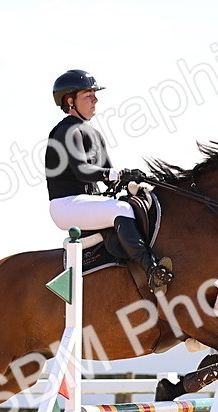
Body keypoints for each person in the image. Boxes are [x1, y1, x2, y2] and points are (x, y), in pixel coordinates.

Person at [44, 69, 172, 291]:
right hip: (66, 205)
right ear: (70, 101)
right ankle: (150, 269)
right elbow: (82, 170)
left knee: (137, 203)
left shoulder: (94, 134)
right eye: (88, 95)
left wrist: (132, 181)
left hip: (84, 203)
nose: (95, 100)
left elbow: (110, 176)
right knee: (121, 210)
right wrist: (115, 175)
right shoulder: (65, 131)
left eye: (94, 94)